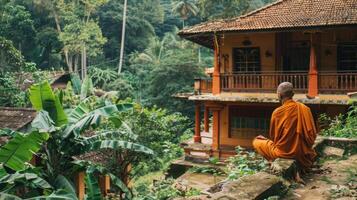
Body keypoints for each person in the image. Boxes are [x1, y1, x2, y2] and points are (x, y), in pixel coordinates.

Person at [252, 82, 317, 171]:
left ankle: (273, 162)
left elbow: (274, 137)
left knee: (257, 141)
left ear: (279, 95)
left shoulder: (277, 112)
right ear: (293, 94)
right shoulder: (305, 109)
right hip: (303, 153)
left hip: (284, 153)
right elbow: (312, 136)